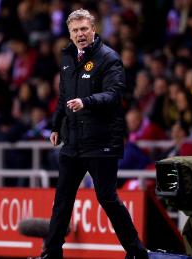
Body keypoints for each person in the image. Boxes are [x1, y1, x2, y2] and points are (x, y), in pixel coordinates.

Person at [38, 9, 148, 259]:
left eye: (84, 29)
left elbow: (115, 94)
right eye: (75, 30)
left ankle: (136, 252)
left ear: (94, 30)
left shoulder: (109, 58)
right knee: (62, 200)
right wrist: (56, 126)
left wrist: (87, 101)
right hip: (73, 140)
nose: (80, 34)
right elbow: (64, 97)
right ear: (70, 33)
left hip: (101, 141)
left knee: (107, 198)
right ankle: (52, 253)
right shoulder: (67, 57)